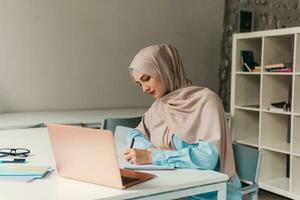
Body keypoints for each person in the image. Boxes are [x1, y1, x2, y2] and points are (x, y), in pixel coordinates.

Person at [124, 44, 242, 200]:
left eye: (146, 79)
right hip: (175, 187)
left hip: (209, 191)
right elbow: (135, 133)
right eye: (140, 84)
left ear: (165, 70)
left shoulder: (206, 101)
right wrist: (148, 150)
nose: (144, 88)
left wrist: (154, 157)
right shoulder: (162, 104)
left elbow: (207, 158)